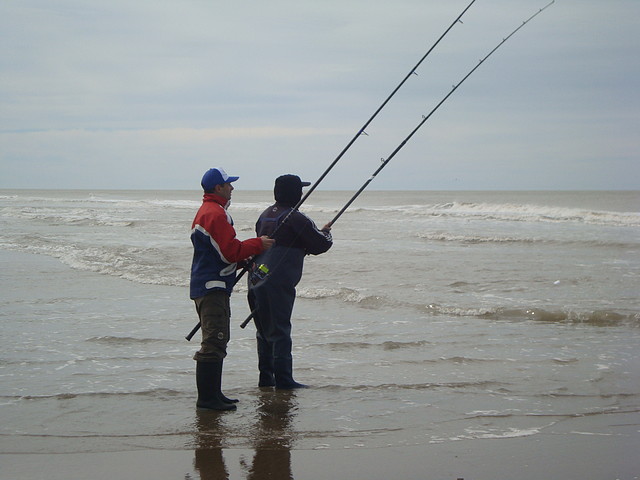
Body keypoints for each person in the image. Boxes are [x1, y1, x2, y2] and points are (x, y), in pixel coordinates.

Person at [190, 167, 274, 411]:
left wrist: (240, 261)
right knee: (214, 341)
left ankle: (215, 394)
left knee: (217, 339)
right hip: (212, 287)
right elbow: (230, 250)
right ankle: (207, 400)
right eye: (229, 184)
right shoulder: (215, 214)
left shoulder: (209, 211)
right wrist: (258, 244)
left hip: (209, 283)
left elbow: (219, 253)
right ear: (218, 188)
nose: (232, 188)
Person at [248, 174, 333, 389]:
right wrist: (327, 233)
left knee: (263, 331)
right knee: (280, 330)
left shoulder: (265, 215)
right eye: (300, 190)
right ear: (295, 193)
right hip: (277, 282)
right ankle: (284, 380)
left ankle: (266, 378)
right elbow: (320, 245)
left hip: (256, 278)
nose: (302, 193)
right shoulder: (296, 218)